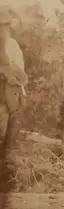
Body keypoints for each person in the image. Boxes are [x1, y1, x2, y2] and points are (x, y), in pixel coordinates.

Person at [0, 11, 26, 146]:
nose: (2, 30)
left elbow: (20, 70)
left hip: (10, 93)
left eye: (5, 27)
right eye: (0, 26)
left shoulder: (12, 45)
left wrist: (14, 76)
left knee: (9, 129)